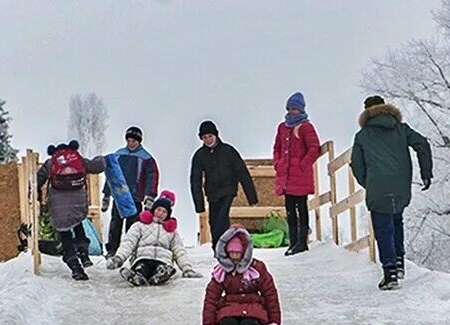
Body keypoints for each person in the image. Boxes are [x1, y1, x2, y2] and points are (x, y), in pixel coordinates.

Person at [350, 95, 433, 291]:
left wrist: (368, 183)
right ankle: (399, 263)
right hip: (400, 186)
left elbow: (357, 165)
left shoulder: (362, 136)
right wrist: (426, 172)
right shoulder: (401, 129)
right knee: (396, 220)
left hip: (378, 187)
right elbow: (423, 144)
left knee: (383, 228)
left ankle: (390, 273)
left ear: (366, 112)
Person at [37, 140, 107, 281]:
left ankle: (75, 267)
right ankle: (84, 254)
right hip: (78, 201)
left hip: (57, 204)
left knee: (65, 234)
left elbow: (37, 180)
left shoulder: (51, 162)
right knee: (78, 223)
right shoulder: (77, 158)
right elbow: (98, 166)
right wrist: (101, 158)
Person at [106, 190, 202, 285]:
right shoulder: (140, 225)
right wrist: (119, 258)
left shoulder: (172, 232)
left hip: (163, 259)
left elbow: (179, 251)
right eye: (159, 210)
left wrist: (187, 268)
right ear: (153, 210)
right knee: (142, 266)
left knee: (161, 267)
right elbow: (129, 242)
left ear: (168, 215)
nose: (161, 213)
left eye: (164, 212)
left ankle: (160, 275)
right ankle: (137, 276)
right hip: (143, 257)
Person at [190, 120, 259, 248]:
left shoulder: (228, 151)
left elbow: (242, 173)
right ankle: (219, 248)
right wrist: (199, 205)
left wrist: (252, 197)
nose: (208, 139)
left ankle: (221, 245)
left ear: (216, 135)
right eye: (204, 137)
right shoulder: (199, 156)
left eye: (210, 136)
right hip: (212, 193)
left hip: (228, 189)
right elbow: (195, 180)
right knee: (214, 221)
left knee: (222, 217)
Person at [201, 228, 282, 325]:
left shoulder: (257, 269)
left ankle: (252, 321)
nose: (234, 256)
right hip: (229, 307)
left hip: (254, 306)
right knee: (228, 322)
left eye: (237, 253)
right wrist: (208, 322)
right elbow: (212, 295)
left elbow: (270, 294)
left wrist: (274, 320)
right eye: (231, 252)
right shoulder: (222, 271)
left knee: (250, 322)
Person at [273, 92, 321, 256]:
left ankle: (302, 242)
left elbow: (314, 148)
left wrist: (302, 165)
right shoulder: (282, 127)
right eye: (290, 108)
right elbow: (277, 148)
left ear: (300, 110)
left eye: (295, 109)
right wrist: (277, 163)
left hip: (300, 175)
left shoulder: (306, 126)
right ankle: (293, 241)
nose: (292, 111)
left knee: (301, 207)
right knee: (289, 209)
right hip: (285, 176)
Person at [102, 125, 160, 256]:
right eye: (129, 140)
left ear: (139, 141)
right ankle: (112, 249)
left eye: (134, 141)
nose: (131, 143)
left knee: (133, 226)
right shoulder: (118, 155)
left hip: (135, 197)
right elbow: (111, 175)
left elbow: (152, 178)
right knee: (115, 224)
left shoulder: (146, 158)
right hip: (119, 197)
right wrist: (106, 195)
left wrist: (150, 196)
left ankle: (130, 250)